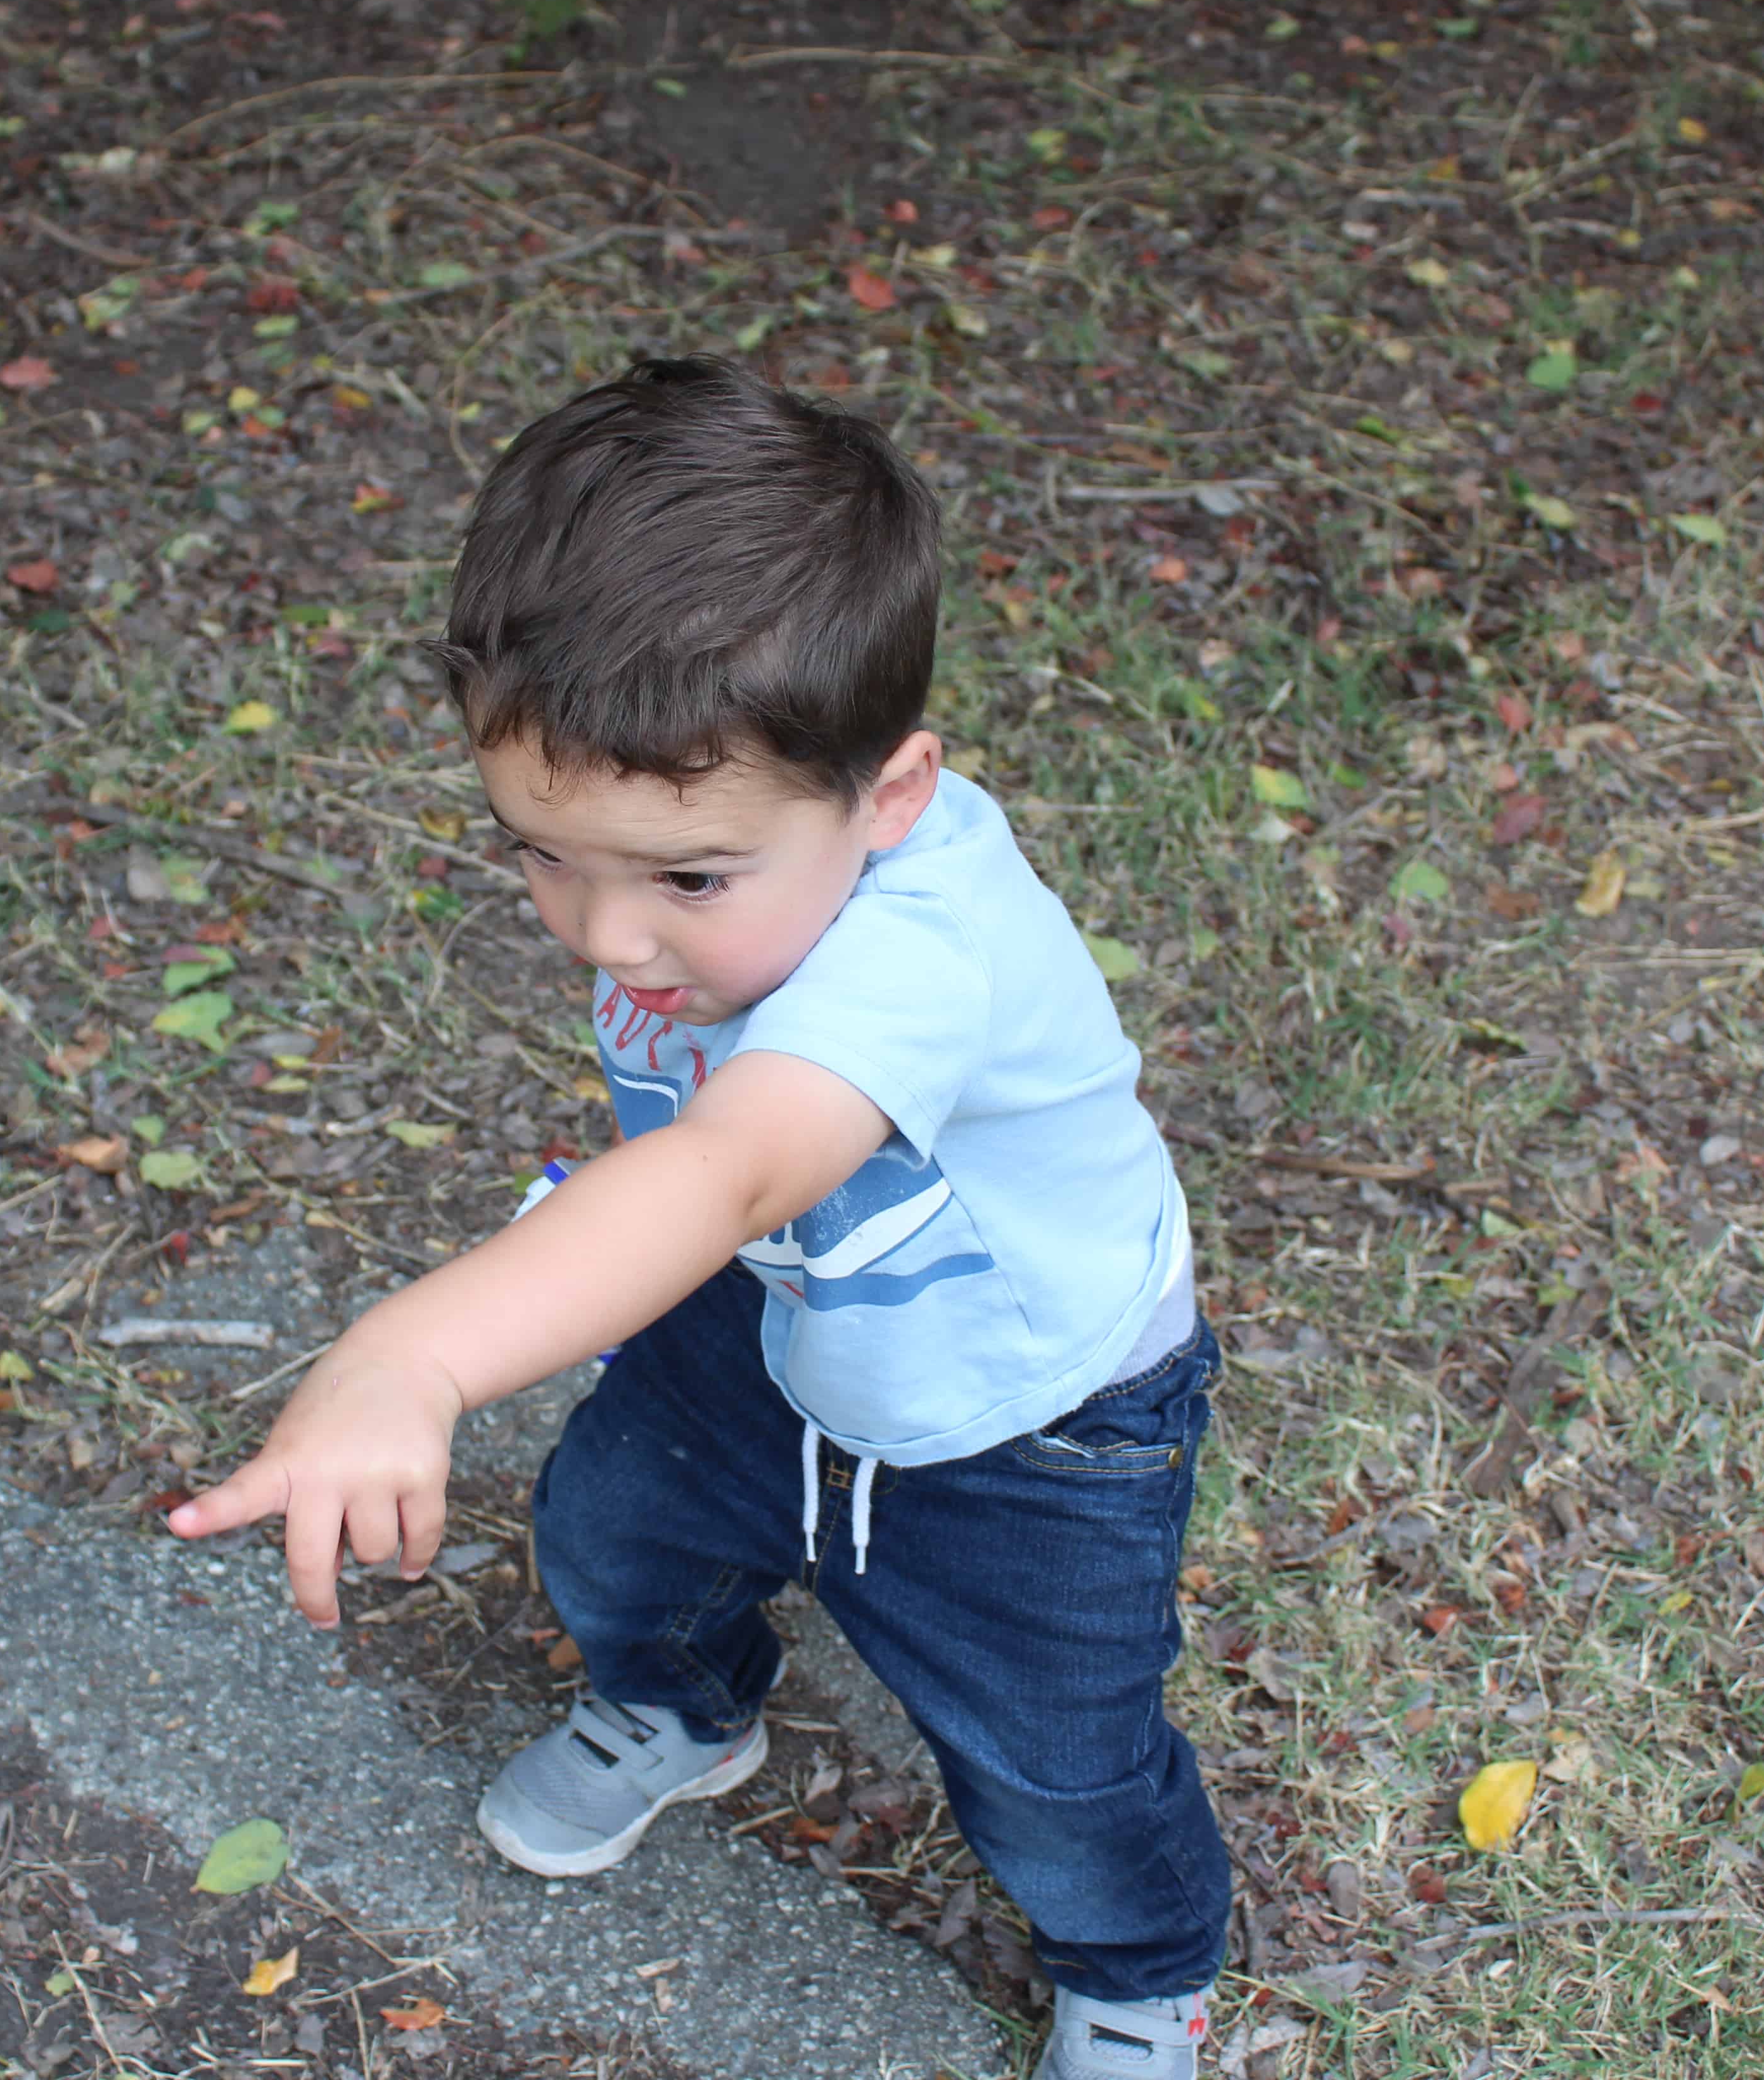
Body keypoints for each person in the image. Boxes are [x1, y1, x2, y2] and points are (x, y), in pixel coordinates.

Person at [168, 355, 1227, 2080]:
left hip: (1027, 1415)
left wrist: (414, 1355)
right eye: (542, 853)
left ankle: (1140, 1969)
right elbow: (712, 1211)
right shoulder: (697, 879)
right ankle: (681, 1704)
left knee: (1054, 1756)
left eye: (684, 879)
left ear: (885, 799)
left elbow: (726, 1163)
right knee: (617, 1534)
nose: (603, 936)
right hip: (765, 1306)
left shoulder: (928, 949)